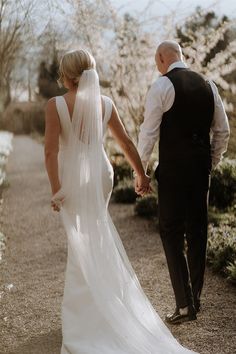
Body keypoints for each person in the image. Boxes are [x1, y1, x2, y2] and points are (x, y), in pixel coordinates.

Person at [44, 49, 197, 353]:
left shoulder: (55, 105)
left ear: (66, 74)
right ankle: (106, 301)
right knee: (96, 234)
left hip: (73, 179)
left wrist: (57, 189)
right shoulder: (105, 103)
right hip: (101, 174)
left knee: (81, 241)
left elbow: (50, 152)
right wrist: (141, 175)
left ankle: (87, 315)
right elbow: (125, 142)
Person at [137, 40, 230, 325]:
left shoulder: (162, 86)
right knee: (198, 232)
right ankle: (195, 300)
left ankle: (184, 304)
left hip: (174, 171)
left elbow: (148, 134)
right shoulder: (209, 85)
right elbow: (222, 132)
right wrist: (209, 163)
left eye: (156, 62)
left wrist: (141, 173)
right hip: (201, 171)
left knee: (171, 231)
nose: (157, 67)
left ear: (163, 58)